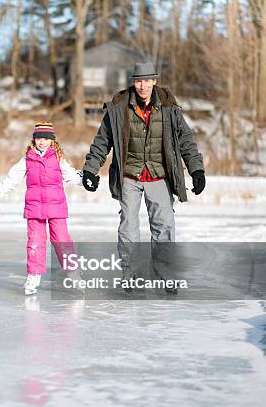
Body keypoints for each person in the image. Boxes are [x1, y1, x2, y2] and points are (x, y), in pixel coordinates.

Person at [81, 62, 206, 294]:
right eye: (139, 81)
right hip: (129, 175)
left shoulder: (170, 108)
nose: (143, 85)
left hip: (159, 175)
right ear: (133, 82)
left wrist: (196, 169)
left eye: (147, 80)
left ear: (154, 81)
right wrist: (90, 169)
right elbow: (102, 141)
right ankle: (130, 275)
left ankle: (165, 276)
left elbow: (186, 140)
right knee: (128, 227)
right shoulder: (118, 109)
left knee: (164, 227)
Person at [0, 121, 83, 295]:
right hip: (35, 208)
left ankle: (73, 273)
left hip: (56, 207)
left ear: (52, 140)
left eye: (46, 138)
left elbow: (72, 176)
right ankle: (33, 276)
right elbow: (12, 178)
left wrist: (86, 180)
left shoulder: (58, 158)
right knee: (35, 243)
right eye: (39, 138)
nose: (42, 142)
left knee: (62, 241)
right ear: (34, 139)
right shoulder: (28, 159)